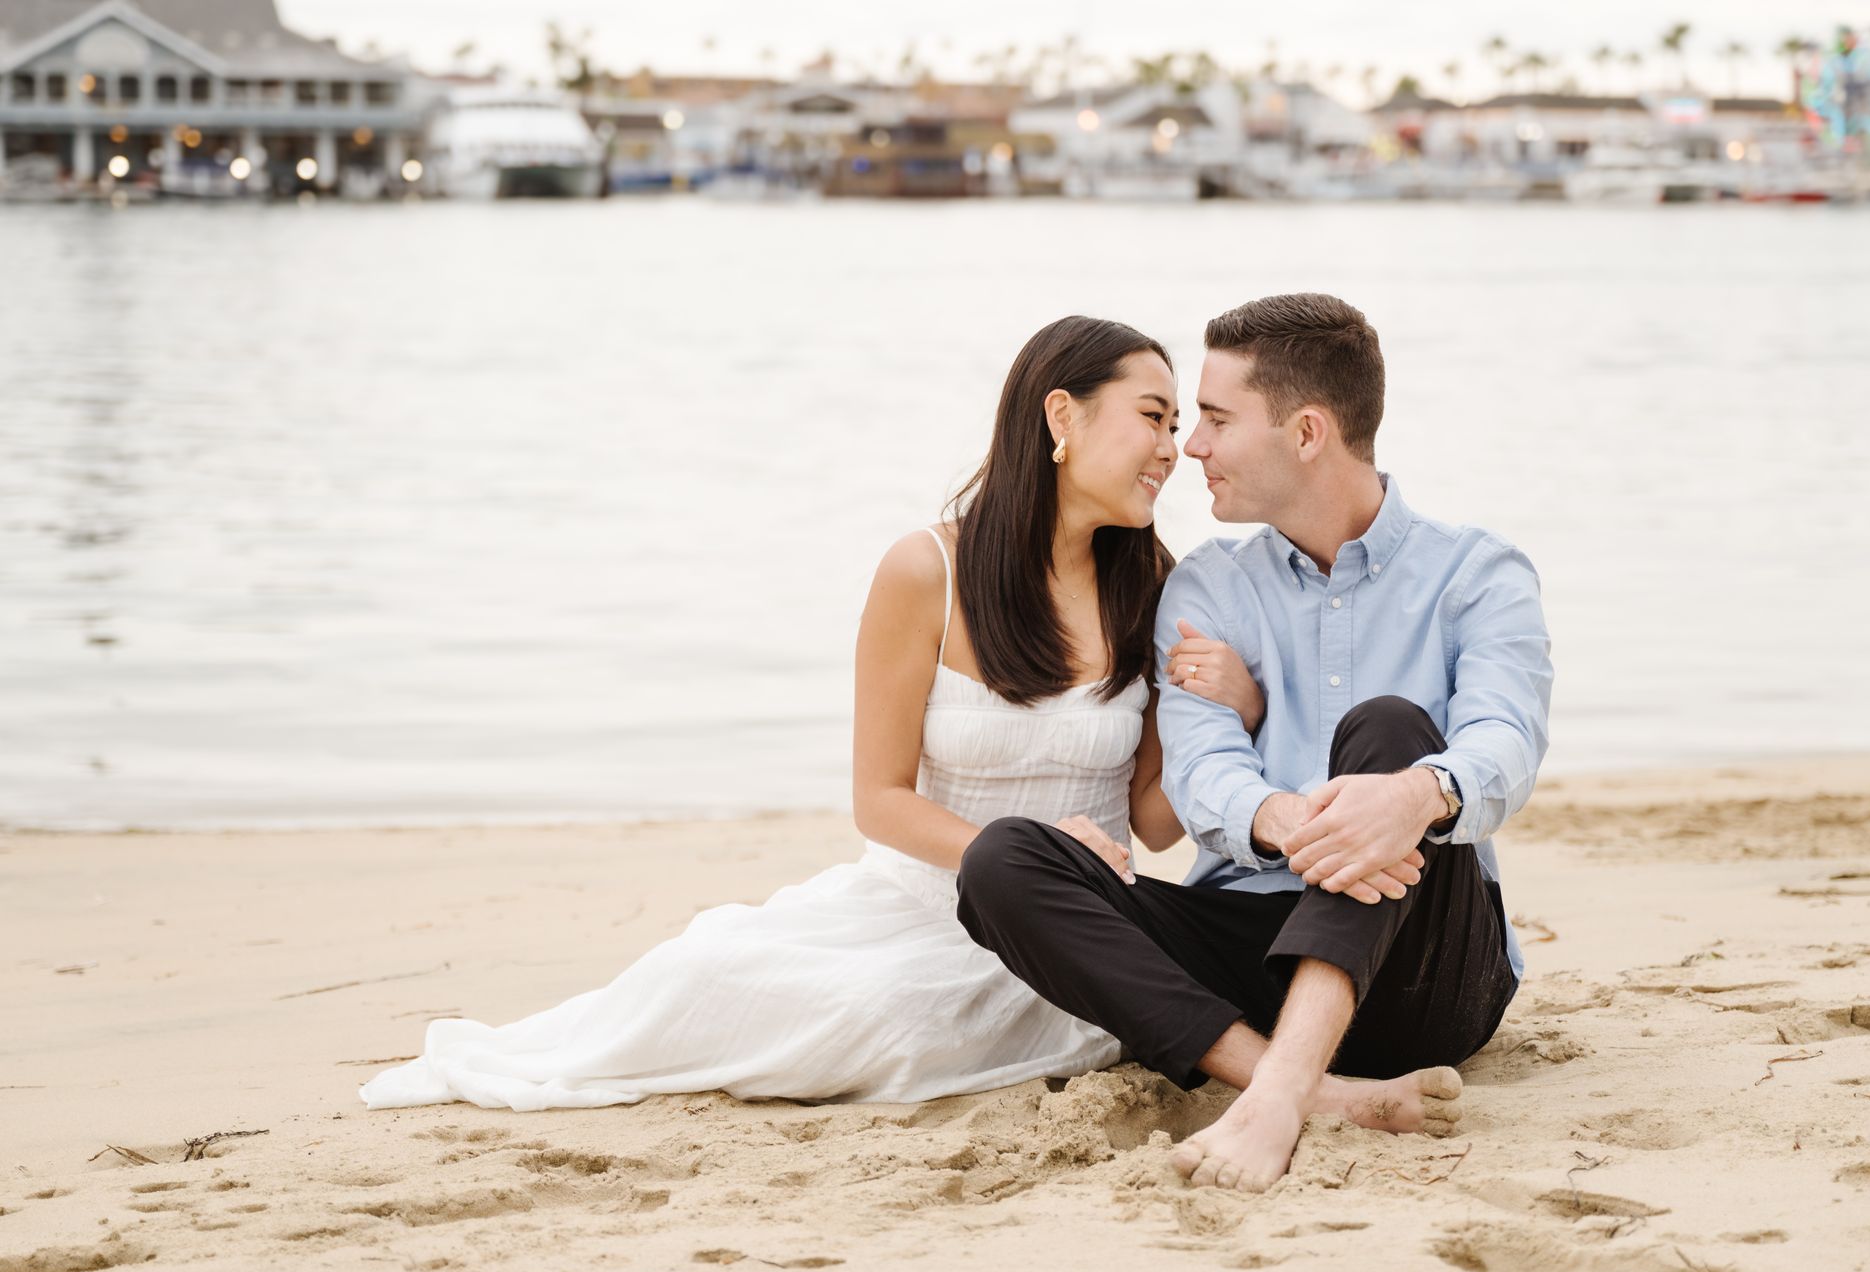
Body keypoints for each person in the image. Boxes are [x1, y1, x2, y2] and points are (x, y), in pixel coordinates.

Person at [360, 315, 1265, 1110]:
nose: (1172, 449)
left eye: (1180, 425)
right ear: (1062, 416)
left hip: (1079, 932)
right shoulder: (926, 573)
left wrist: (1236, 711)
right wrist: (1022, 856)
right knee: (720, 977)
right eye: (1154, 416)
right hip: (922, 906)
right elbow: (880, 800)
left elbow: (1150, 822)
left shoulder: (1152, 584)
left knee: (904, 1021)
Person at [956, 293, 1552, 1191]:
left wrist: (1413, 796)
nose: (1190, 445)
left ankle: (1276, 1097)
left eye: (1216, 419)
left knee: (1392, 731)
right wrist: (1286, 818)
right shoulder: (1206, 588)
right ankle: (1317, 1090)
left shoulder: (1477, 574)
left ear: (1307, 433)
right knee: (1004, 861)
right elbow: (1200, 777)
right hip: (1251, 951)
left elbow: (1506, 738)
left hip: (1427, 964)